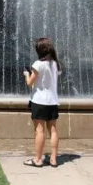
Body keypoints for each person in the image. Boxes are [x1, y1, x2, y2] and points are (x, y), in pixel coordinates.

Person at [22, 38, 61, 167]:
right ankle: (54, 159)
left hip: (39, 101)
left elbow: (30, 83)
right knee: (53, 130)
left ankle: (38, 159)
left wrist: (26, 74)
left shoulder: (38, 64)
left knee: (39, 130)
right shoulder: (55, 64)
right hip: (53, 101)